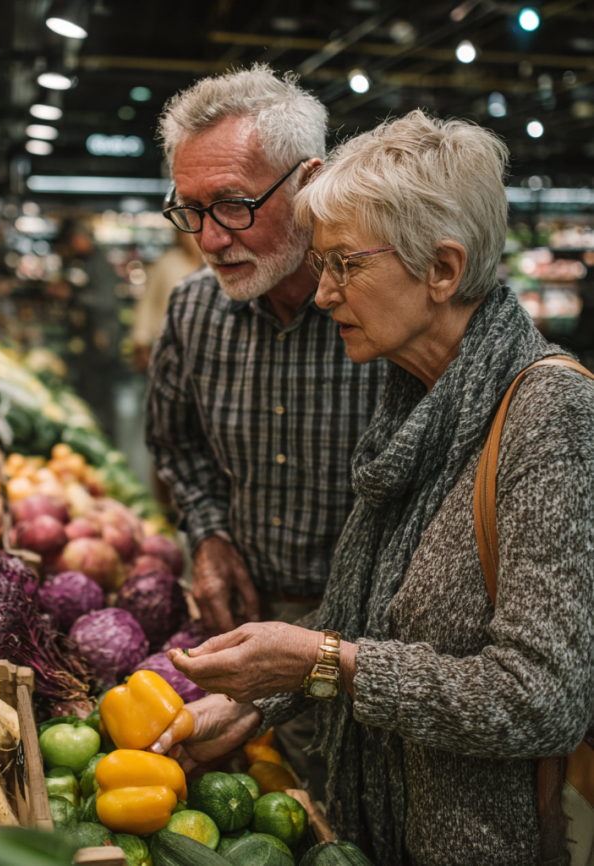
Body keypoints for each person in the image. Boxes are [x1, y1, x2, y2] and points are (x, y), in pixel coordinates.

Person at [152, 111, 594, 866]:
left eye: (345, 266)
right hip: (384, 824)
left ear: (443, 270)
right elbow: (384, 617)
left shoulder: (551, 415)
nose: (322, 295)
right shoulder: (413, 398)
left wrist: (324, 660)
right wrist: (260, 700)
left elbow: (540, 696)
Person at [146, 64, 387, 636]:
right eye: (191, 210)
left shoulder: (386, 313)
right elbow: (174, 443)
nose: (209, 239)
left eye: (234, 205)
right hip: (242, 613)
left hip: (377, 632)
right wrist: (207, 536)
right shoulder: (194, 309)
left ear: (309, 180)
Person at [131, 231, 203, 373]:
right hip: (170, 346)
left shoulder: (216, 263)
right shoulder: (167, 262)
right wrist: (141, 339)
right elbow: (148, 302)